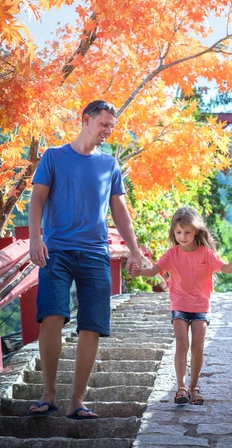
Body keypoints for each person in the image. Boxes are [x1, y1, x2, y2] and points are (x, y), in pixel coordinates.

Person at [28, 99, 142, 419]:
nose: (108, 131)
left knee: (91, 326)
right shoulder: (53, 157)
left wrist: (133, 250)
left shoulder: (109, 165)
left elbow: (120, 213)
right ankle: (48, 394)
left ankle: (77, 400)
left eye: (111, 127)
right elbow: (37, 199)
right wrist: (35, 237)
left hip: (95, 253)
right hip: (57, 250)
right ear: (86, 120)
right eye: (104, 124)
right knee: (52, 315)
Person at [132, 206, 232, 405]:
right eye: (178, 232)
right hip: (179, 305)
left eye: (187, 232)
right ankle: (181, 388)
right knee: (182, 344)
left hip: (201, 306)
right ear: (173, 233)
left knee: (198, 348)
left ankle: (194, 387)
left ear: (196, 232)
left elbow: (226, 269)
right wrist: (139, 271)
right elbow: (154, 271)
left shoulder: (206, 254)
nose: (182, 236)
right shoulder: (171, 254)